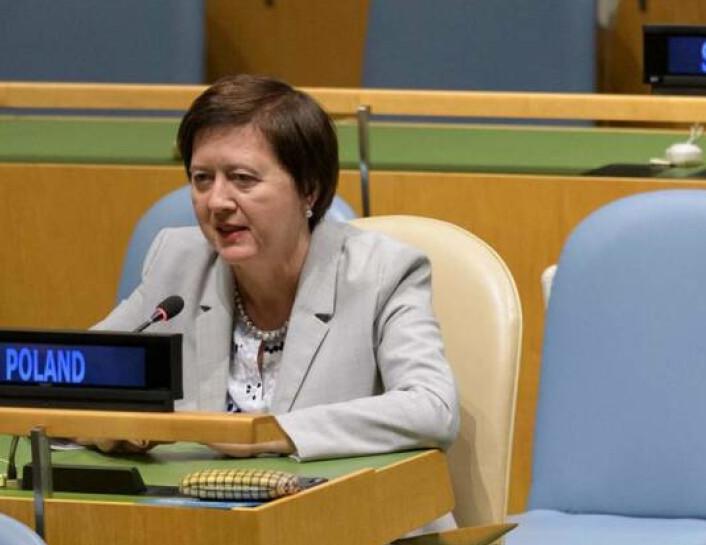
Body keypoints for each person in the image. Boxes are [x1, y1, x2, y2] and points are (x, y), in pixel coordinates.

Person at [90, 74, 459, 462]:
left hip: (342, 499)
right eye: (202, 179)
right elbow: (76, 380)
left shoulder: (383, 272)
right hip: (195, 498)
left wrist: (267, 433)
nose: (216, 202)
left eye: (242, 179)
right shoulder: (177, 260)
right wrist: (111, 426)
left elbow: (433, 408)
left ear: (309, 189)